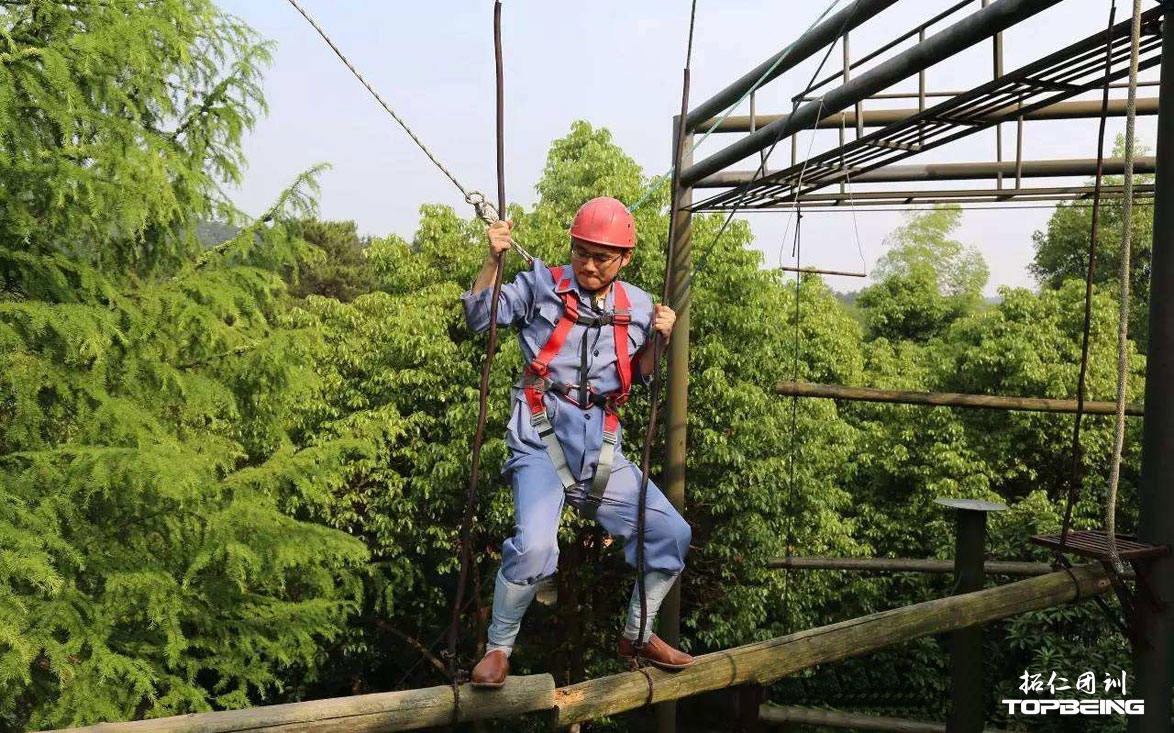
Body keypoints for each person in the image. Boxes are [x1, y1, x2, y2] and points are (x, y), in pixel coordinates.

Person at [460, 196, 694, 688]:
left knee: (672, 533)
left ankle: (638, 632)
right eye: (581, 252)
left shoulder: (640, 307)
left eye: (601, 256)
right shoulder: (540, 285)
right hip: (540, 438)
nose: (588, 264)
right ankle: (499, 649)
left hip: (601, 449)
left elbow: (640, 376)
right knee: (535, 546)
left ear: (624, 259)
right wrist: (493, 259)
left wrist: (659, 340)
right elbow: (481, 317)